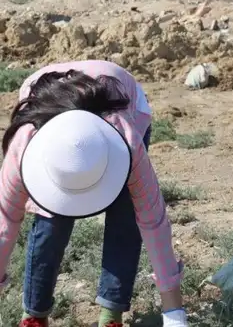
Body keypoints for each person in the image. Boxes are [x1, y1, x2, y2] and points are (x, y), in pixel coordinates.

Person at [0, 61, 188, 327]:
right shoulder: (26, 142)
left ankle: (111, 316)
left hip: (124, 104)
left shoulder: (127, 139)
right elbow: (4, 222)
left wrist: (174, 315)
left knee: (126, 216)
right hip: (49, 108)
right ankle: (34, 316)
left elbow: (153, 221)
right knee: (51, 221)